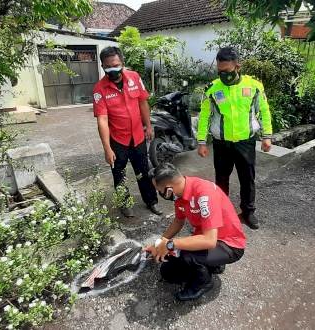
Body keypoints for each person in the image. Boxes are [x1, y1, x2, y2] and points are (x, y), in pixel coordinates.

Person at [144, 163, 246, 301]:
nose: (159, 194)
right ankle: (213, 264)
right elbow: (178, 222)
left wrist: (170, 245)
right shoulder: (180, 193)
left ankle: (204, 283)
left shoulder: (204, 193)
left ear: (168, 190)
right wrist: (159, 243)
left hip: (229, 244)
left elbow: (209, 241)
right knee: (167, 273)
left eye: (159, 190)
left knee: (186, 255)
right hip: (208, 238)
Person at [197, 47, 273, 230]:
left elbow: (264, 111)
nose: (223, 75)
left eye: (227, 71)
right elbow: (205, 116)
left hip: (245, 142)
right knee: (221, 180)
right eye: (220, 71)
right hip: (222, 144)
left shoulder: (254, 86)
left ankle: (248, 212)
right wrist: (201, 141)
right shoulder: (213, 89)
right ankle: (221, 213)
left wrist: (267, 136)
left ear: (237, 66)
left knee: (247, 179)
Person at [93, 46, 161, 217]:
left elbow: (143, 103)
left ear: (122, 63)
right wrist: (107, 148)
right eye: (108, 67)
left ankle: (151, 201)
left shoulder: (135, 78)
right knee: (119, 174)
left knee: (144, 171)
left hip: (137, 136)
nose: (112, 70)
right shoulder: (99, 89)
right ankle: (124, 203)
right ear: (102, 66)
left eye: (116, 65)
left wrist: (149, 126)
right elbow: (102, 120)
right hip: (118, 141)